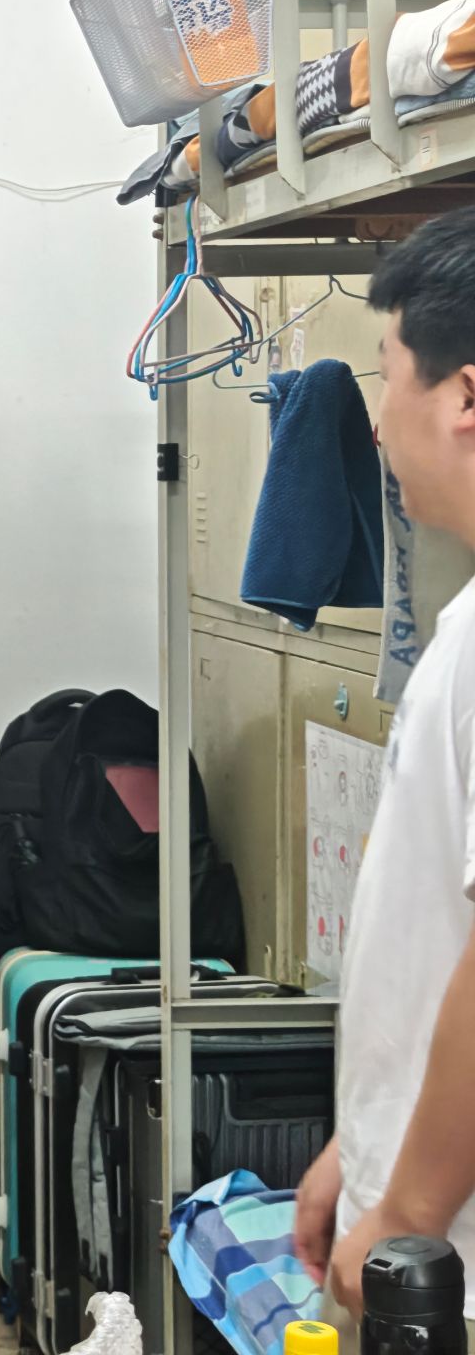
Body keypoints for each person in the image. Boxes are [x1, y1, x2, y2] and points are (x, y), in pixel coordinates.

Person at [293, 206, 475, 1339]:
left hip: (446, 1252)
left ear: (465, 398)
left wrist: (408, 1208)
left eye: (388, 375)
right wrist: (360, 1150)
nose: (375, 421)